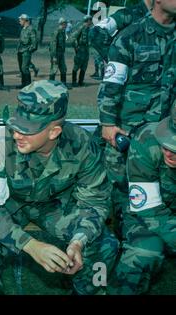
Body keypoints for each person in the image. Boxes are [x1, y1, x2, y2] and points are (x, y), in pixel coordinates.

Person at [0, 80, 119, 295]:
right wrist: (30, 245)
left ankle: (89, 290)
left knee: (105, 244)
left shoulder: (83, 145)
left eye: (27, 130)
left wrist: (78, 241)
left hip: (56, 205)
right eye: (14, 125)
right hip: (9, 205)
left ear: (53, 132)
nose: (16, 135)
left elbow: (95, 201)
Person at [97, 0, 176, 235]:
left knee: (156, 185)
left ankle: (151, 234)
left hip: (164, 133)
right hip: (126, 131)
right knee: (119, 187)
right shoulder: (131, 36)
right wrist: (108, 123)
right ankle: (116, 239)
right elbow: (112, 83)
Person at [110, 103, 176, 295]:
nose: (169, 152)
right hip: (143, 211)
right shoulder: (147, 139)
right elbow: (148, 210)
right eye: (167, 142)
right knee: (145, 250)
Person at [16, 14, 37, 89]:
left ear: (25, 20)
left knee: (25, 68)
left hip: (26, 51)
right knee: (21, 68)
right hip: (20, 51)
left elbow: (34, 43)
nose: (19, 21)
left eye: (20, 20)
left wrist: (29, 51)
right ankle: (23, 84)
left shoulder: (31, 29)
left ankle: (28, 85)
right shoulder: (23, 29)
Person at [71, 15, 92, 88]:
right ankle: (74, 82)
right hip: (80, 51)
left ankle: (80, 82)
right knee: (76, 66)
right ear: (87, 20)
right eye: (90, 20)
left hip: (86, 51)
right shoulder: (81, 28)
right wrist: (76, 47)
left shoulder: (89, 29)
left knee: (84, 66)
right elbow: (73, 37)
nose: (91, 21)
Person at [49, 18, 70, 88]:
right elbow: (53, 45)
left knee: (63, 69)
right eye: (66, 23)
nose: (67, 25)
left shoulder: (63, 32)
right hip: (56, 54)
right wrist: (54, 56)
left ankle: (63, 84)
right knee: (54, 69)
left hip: (61, 54)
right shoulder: (56, 32)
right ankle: (50, 85)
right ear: (62, 24)